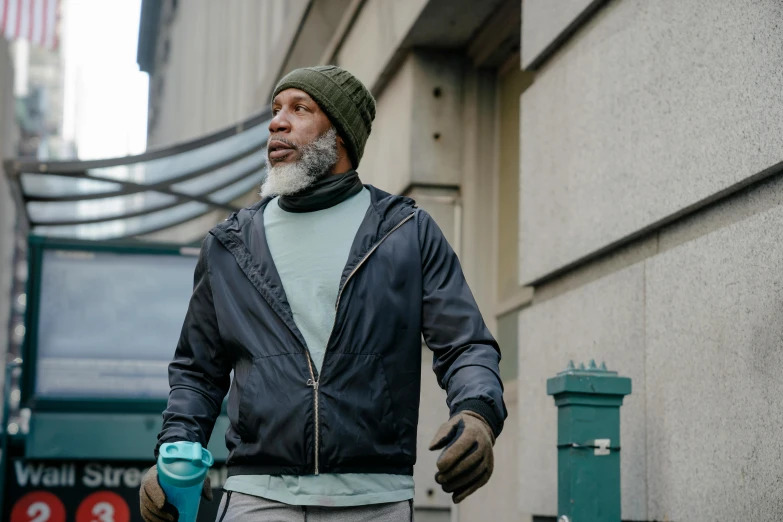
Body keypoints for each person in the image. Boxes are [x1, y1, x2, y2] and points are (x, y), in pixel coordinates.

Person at [139, 65, 506, 522]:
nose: (277, 122)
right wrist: (174, 449)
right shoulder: (228, 245)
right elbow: (197, 372)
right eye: (275, 110)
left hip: (376, 498)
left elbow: (465, 343)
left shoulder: (405, 232)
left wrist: (478, 413)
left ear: (341, 135)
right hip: (259, 496)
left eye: (299, 109)